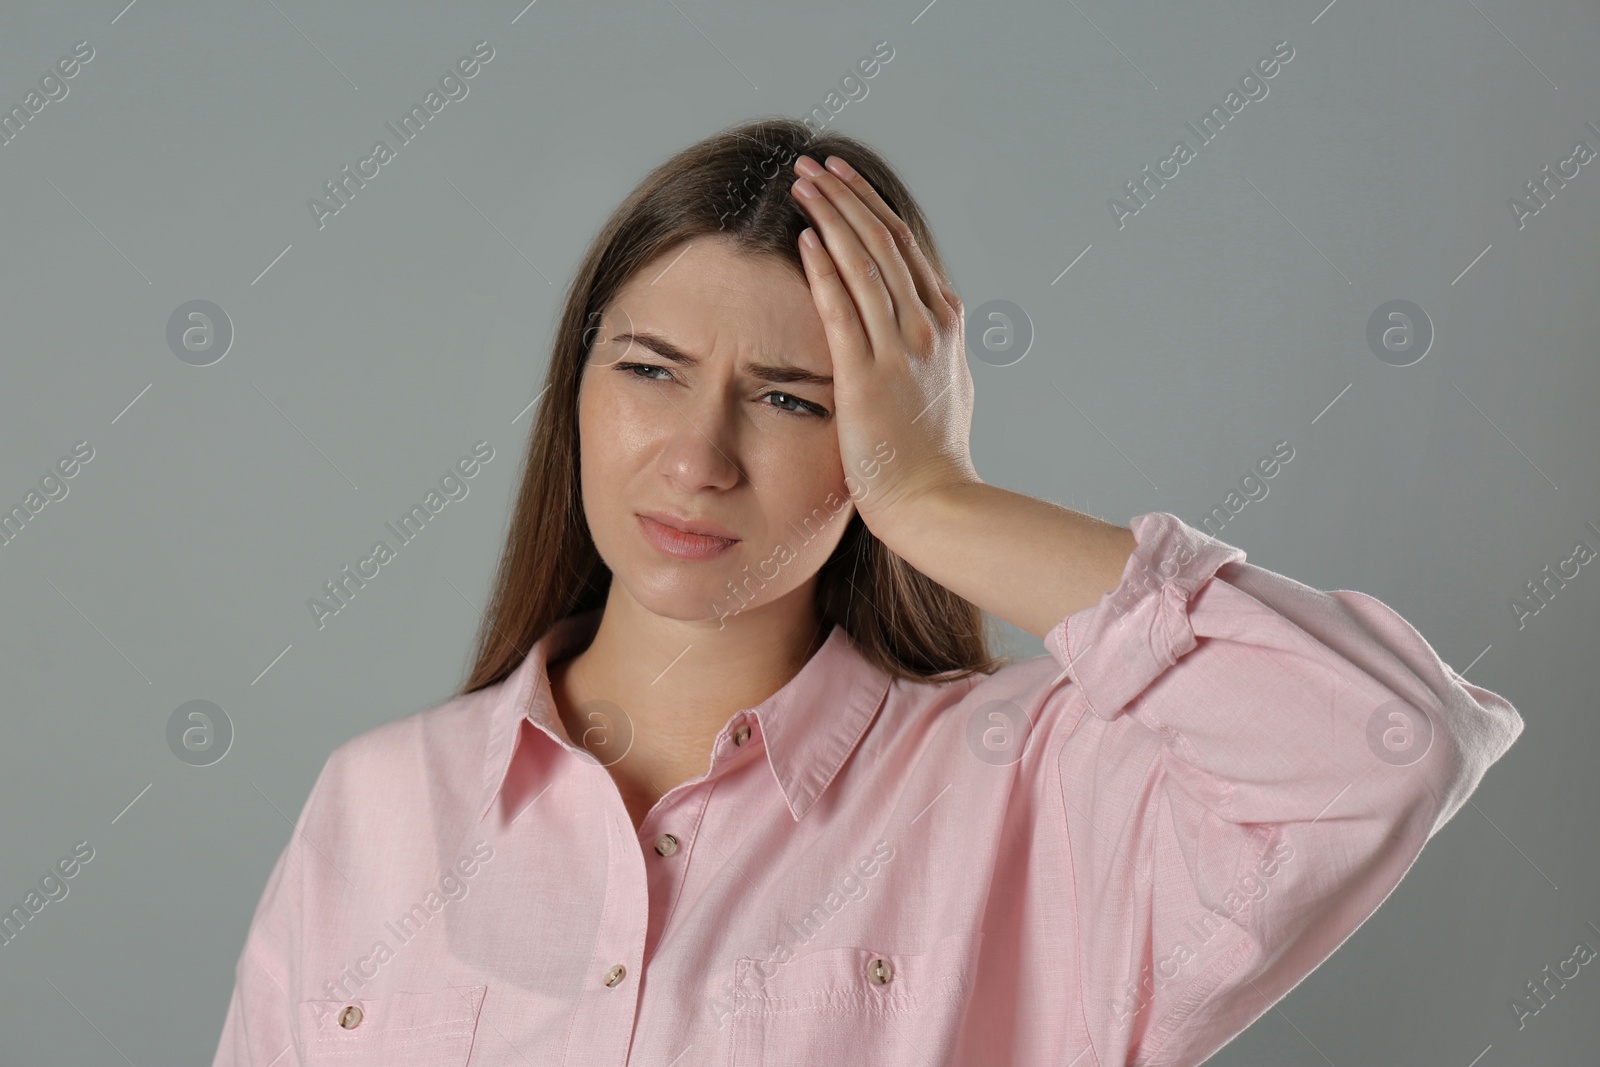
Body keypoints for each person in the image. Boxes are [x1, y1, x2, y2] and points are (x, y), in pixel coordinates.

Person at [210, 117, 1523, 1067]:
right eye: (651, 370)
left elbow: (1384, 747)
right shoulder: (377, 805)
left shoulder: (1029, 791)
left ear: (880, 438)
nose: (698, 457)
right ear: (576, 387)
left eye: (790, 400)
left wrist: (941, 504)